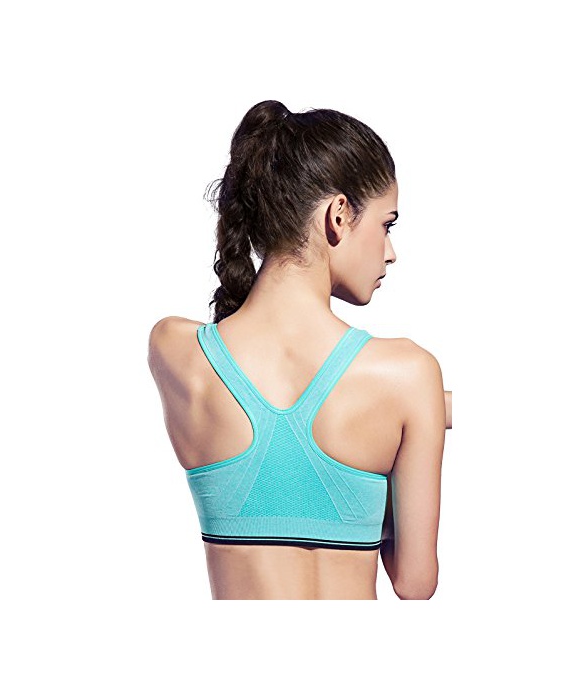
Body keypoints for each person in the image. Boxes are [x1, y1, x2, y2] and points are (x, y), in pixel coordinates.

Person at [148, 100, 450, 600]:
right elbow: (414, 583)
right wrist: (422, 419)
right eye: (387, 225)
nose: (390, 252)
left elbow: (272, 384)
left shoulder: (177, 351)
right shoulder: (407, 378)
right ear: (339, 215)